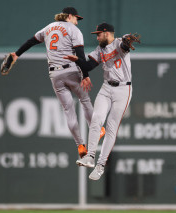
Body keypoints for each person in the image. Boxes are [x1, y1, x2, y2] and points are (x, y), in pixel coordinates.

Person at [8, 7, 105, 158]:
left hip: (55, 74)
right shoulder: (73, 30)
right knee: (85, 100)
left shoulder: (49, 27)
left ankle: (79, 144)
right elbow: (79, 55)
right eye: (76, 19)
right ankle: (97, 129)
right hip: (71, 70)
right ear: (70, 16)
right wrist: (85, 74)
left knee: (68, 110)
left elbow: (31, 41)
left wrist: (17, 54)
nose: (77, 22)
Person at [64, 23, 135, 180]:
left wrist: (127, 42)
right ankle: (90, 156)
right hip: (106, 87)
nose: (97, 37)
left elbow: (125, 44)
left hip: (123, 89)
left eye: (99, 34)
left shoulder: (118, 42)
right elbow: (88, 65)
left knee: (111, 127)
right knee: (96, 119)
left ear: (107, 33)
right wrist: (77, 60)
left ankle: (101, 165)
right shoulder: (100, 50)